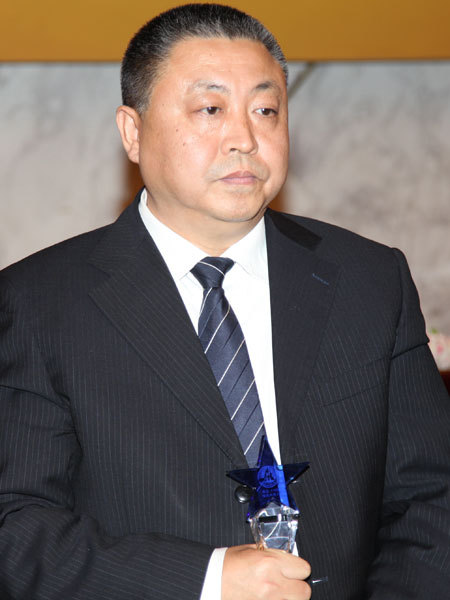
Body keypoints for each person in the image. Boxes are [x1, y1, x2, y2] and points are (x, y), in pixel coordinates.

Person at [0, 3, 449, 599]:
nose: (244, 139)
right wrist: (207, 579)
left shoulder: (370, 279)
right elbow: (17, 527)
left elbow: (431, 498)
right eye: (210, 109)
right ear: (133, 131)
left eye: (266, 110)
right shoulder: (37, 302)